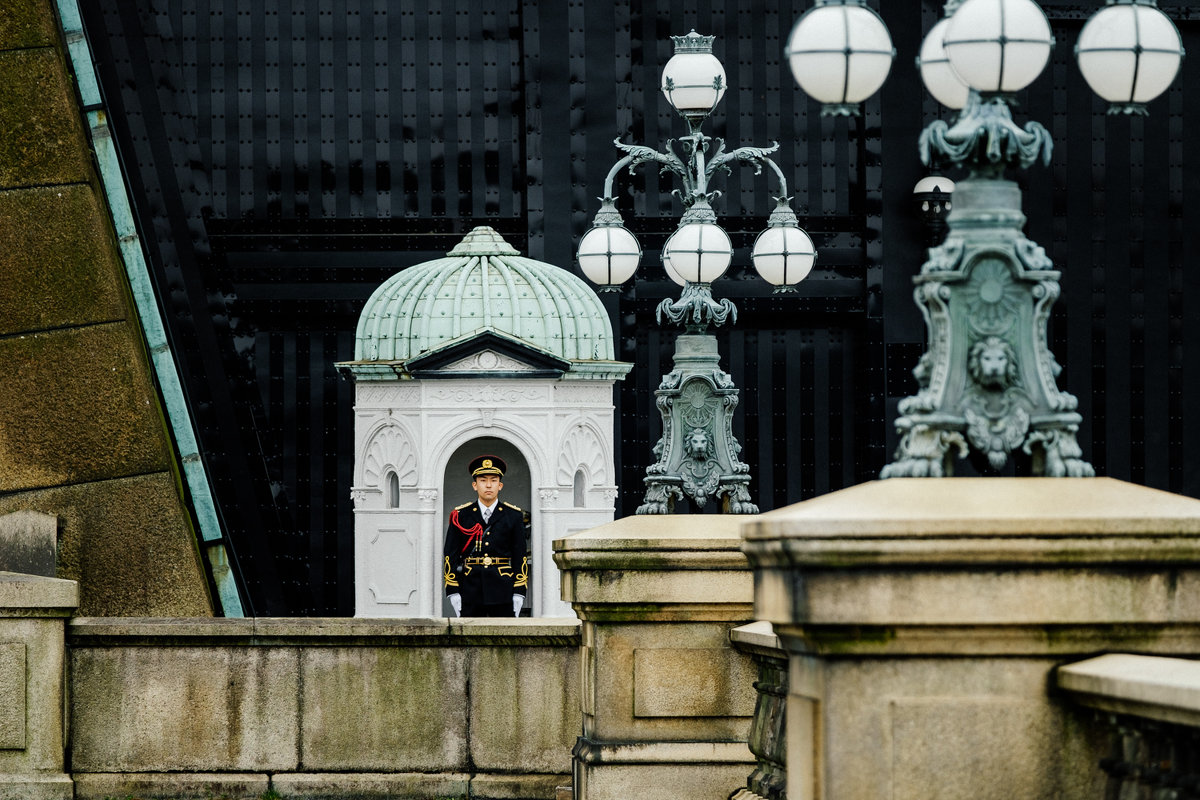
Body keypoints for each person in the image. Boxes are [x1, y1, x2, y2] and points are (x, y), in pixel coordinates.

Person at [443, 455, 529, 617]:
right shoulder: (460, 515)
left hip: (503, 589)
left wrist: (519, 592)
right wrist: (453, 590)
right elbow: (450, 555)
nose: (488, 485)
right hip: (470, 589)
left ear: (500, 485)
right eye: (483, 480)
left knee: (503, 639)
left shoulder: (513, 516)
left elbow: (520, 556)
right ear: (475, 485)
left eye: (494, 480)